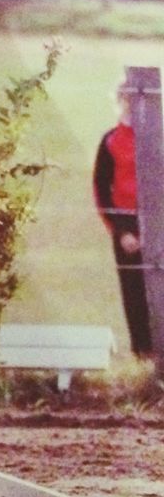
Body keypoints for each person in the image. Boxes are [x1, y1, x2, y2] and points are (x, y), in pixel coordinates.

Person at [93, 83, 152, 357]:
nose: (131, 103)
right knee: (133, 290)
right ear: (120, 100)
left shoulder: (155, 138)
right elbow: (101, 190)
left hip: (155, 221)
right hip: (126, 223)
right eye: (126, 98)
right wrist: (121, 232)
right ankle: (142, 350)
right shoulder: (111, 141)